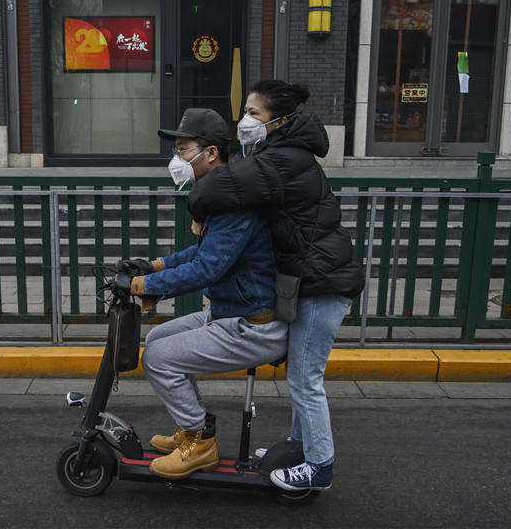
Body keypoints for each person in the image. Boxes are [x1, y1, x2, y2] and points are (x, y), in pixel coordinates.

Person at [187, 80, 364, 492]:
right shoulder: (281, 154)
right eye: (244, 111)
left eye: (254, 114)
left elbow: (221, 185)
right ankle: (301, 446)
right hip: (314, 280)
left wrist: (197, 206)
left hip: (322, 285)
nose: (244, 121)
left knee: (305, 379)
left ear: (280, 121)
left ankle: (319, 467)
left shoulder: (282, 159)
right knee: (302, 375)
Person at [118, 108, 288, 480]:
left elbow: (209, 268)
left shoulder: (234, 201)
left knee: (160, 357)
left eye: (183, 149)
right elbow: (205, 252)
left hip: (252, 324)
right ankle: (191, 427)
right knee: (161, 337)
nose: (176, 159)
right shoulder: (226, 190)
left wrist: (141, 287)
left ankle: (201, 443)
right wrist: (155, 266)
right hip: (231, 311)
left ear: (211, 153)